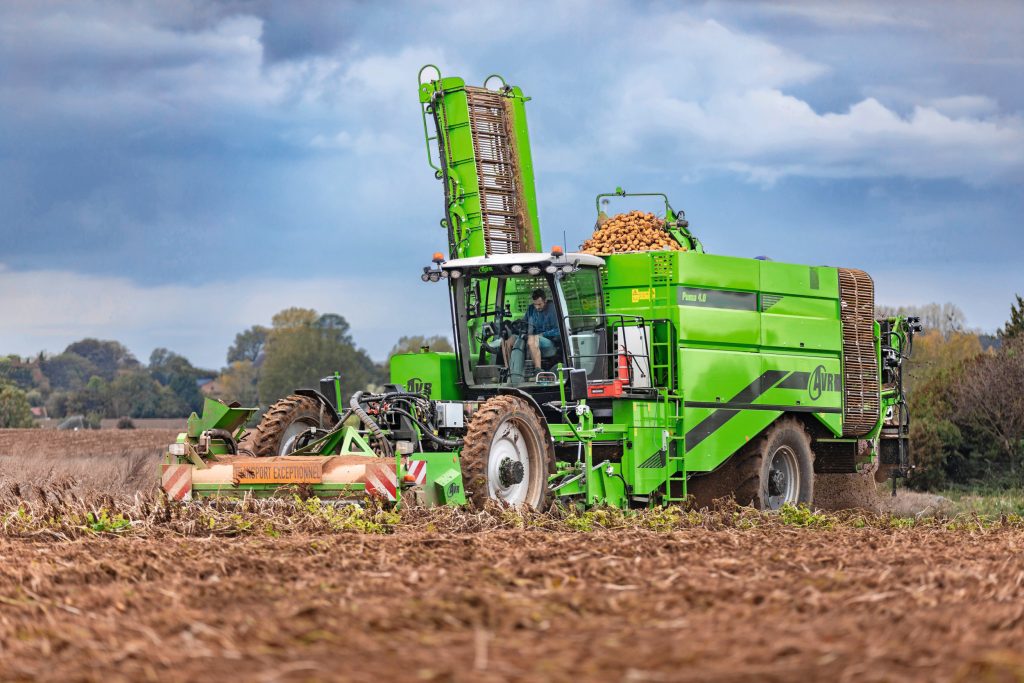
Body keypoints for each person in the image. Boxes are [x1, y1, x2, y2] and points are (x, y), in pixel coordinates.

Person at [503, 288, 560, 375]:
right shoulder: (531, 309)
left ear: (545, 300)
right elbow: (524, 323)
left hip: (549, 340)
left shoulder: (553, 309)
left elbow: (559, 331)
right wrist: (518, 327)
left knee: (532, 339)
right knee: (509, 341)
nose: (537, 307)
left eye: (539, 304)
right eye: (535, 304)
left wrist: (543, 334)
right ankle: (509, 369)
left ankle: (538, 370)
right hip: (531, 337)